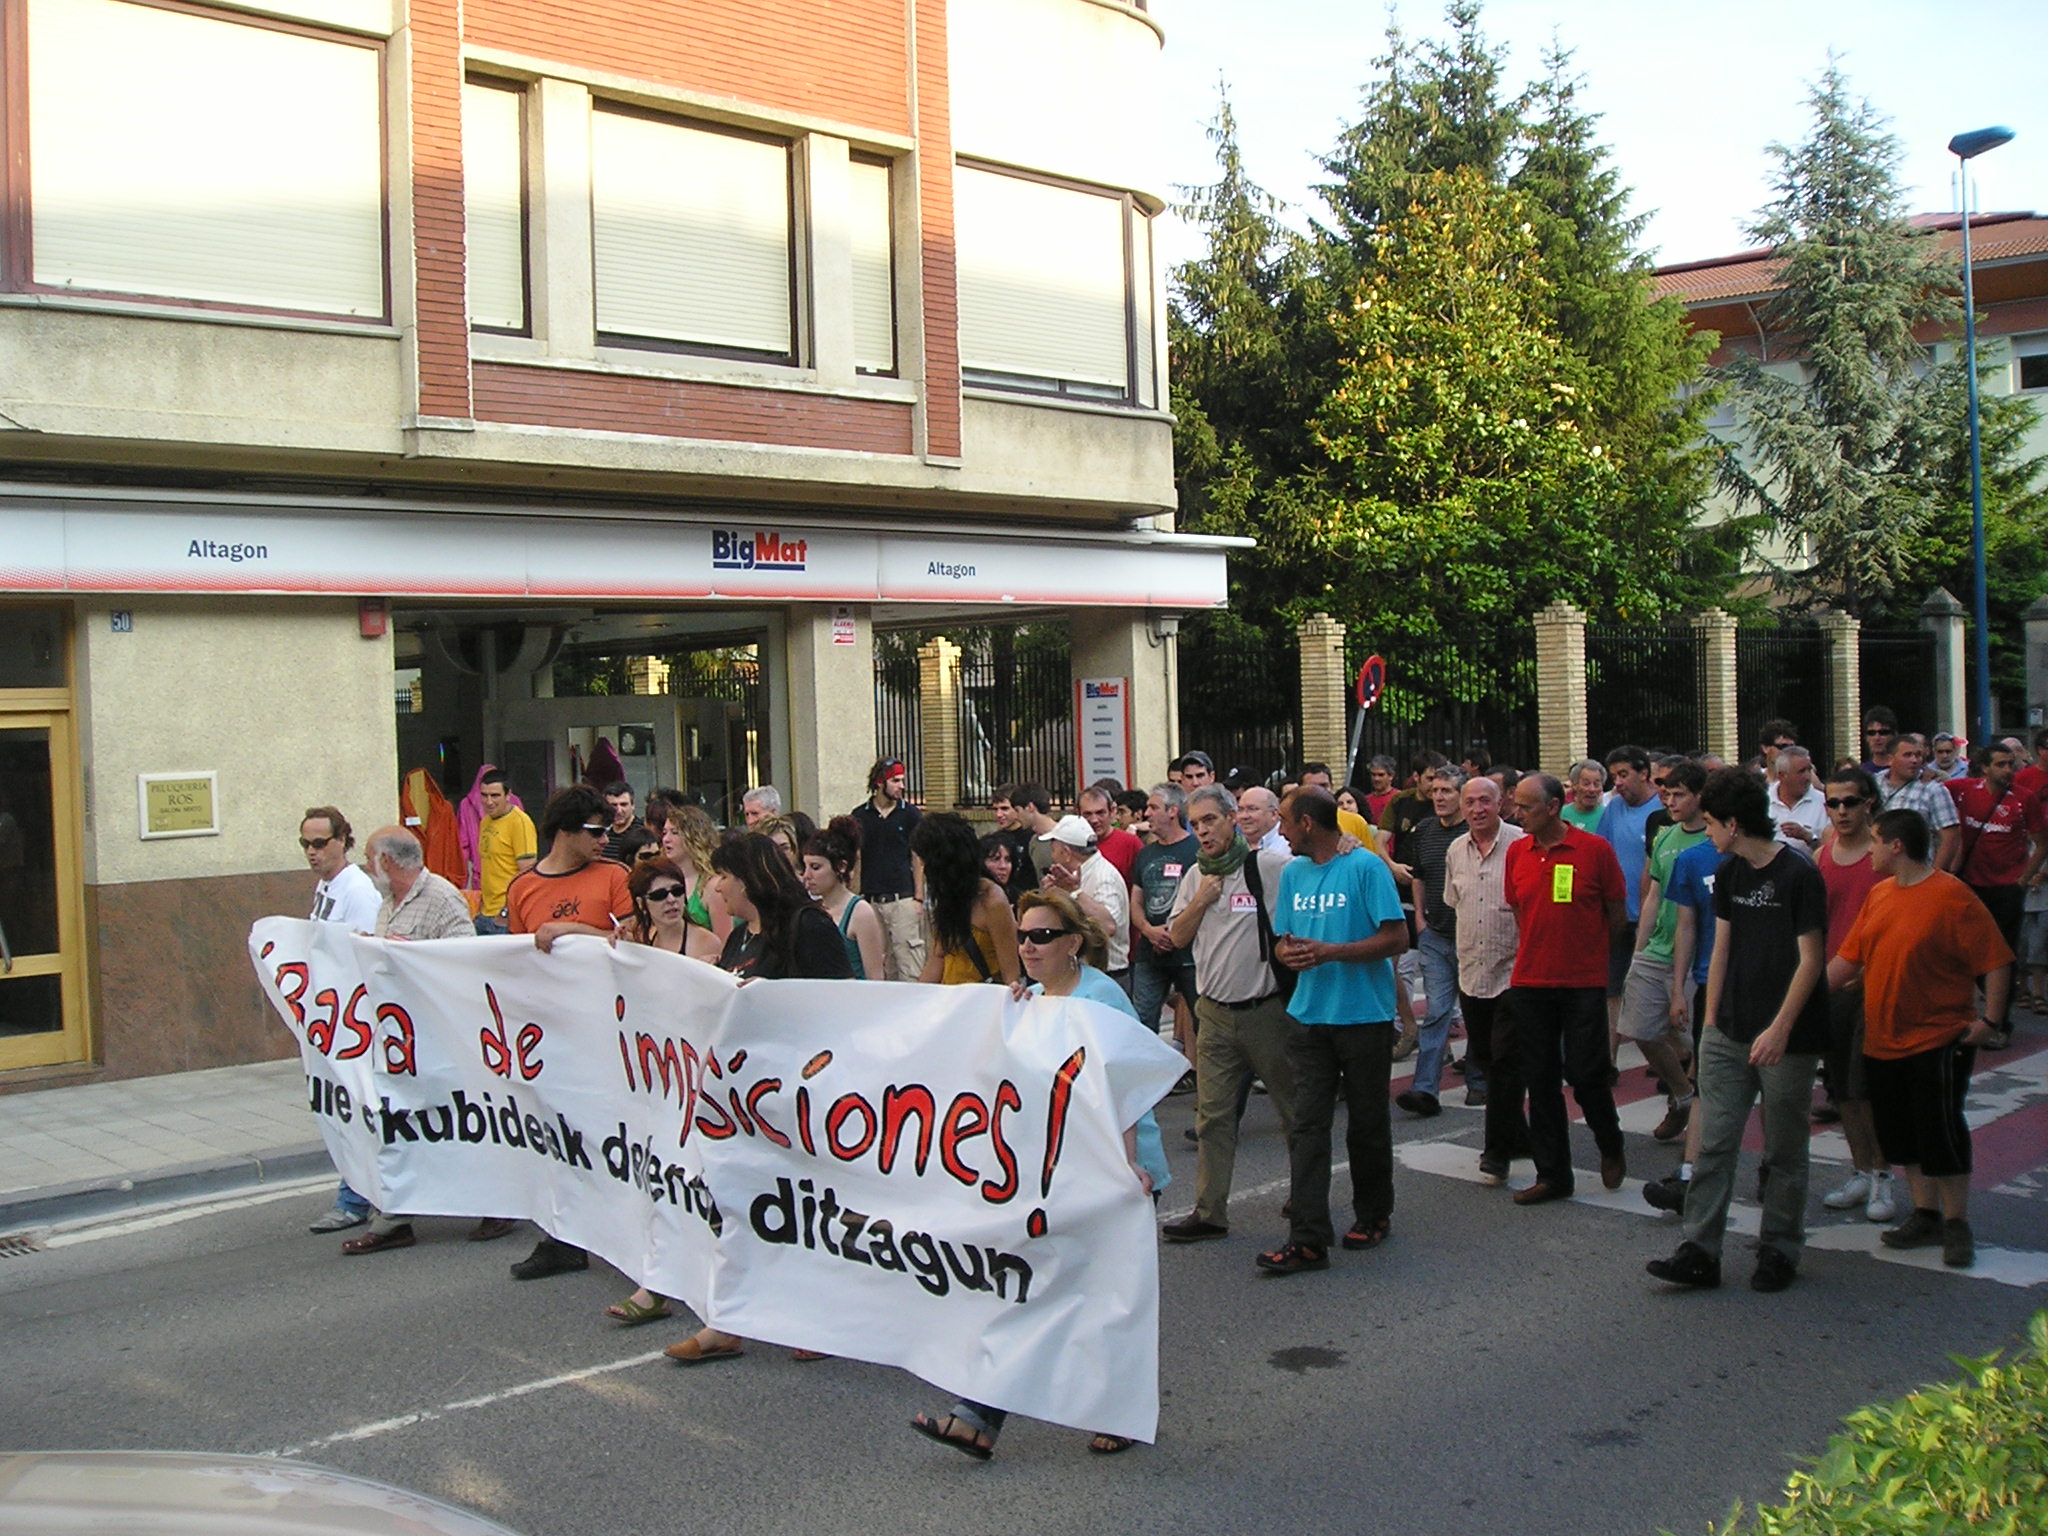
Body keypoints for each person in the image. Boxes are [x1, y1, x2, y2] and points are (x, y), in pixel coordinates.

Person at [910, 889, 1166, 1460]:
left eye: (1042, 936)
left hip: (1114, 1173)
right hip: (1053, 1177)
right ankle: (978, 1415)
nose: (1028, 946)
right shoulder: (1029, 1002)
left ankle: (1112, 1411)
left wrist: (1128, 1167)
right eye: (1023, 936)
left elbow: (1123, 1085)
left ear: (1074, 944)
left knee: (1109, 1298)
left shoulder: (1100, 998)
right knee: (1022, 1288)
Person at [664, 833, 856, 1362]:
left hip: (800, 1097)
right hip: (745, 1099)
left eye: (723, 876)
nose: (716, 888)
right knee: (733, 1202)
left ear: (749, 879)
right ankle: (727, 1320)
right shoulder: (740, 939)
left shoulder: (806, 927)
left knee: (807, 1209)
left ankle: (824, 1319)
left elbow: (837, 1007)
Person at [1646, 769, 1829, 1294]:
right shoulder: (1729, 873)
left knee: (1784, 1150)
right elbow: (1720, 946)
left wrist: (1779, 1029)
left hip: (1786, 1034)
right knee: (1715, 1145)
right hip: (1729, 1026)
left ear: (1732, 822)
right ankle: (1699, 1250)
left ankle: (1779, 1247)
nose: (1707, 835)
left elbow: (1811, 960)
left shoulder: (1798, 873)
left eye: (1710, 824)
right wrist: (1709, 1024)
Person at [1828, 809, 2014, 1269]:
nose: (1868, 850)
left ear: (1896, 846)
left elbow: (1995, 961)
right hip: (1882, 1038)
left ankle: (1956, 1223)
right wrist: (1795, 998)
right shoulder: (1879, 895)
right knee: (1902, 1133)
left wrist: (1990, 1020)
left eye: (1874, 841)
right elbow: (1847, 961)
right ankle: (1925, 1214)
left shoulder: (1953, 896)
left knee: (1941, 1130)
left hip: (1938, 1039)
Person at [1256, 788, 1408, 1275]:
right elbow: (1284, 939)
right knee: (1307, 1128)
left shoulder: (1365, 867)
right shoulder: (1294, 872)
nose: (1278, 830)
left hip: (1364, 1016)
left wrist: (1332, 952)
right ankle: (1307, 1237)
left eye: (1283, 820)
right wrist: (1288, 954)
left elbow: (1397, 937)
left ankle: (1373, 1214)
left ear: (1305, 823)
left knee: (1366, 1124)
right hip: (1309, 1015)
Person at [344, 826, 512, 1256]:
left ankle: (499, 1201)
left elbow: (463, 956)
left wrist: (409, 952)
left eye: (369, 857)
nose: (366, 865)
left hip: (439, 1036)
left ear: (387, 861)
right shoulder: (387, 901)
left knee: (458, 1121)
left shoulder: (441, 897)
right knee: (398, 1121)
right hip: (400, 1037)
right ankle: (396, 1217)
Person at [506, 786, 635, 1283]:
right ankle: (563, 1236)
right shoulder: (523, 889)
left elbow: (634, 942)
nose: (605, 839)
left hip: (608, 1027)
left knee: (612, 1132)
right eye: (595, 831)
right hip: (551, 1028)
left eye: (607, 830)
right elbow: (516, 958)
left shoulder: (614, 877)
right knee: (557, 1135)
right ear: (564, 831)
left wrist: (570, 931)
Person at [1160, 784, 1299, 1241]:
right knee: (1213, 1118)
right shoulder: (1196, 876)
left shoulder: (1268, 866)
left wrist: (1347, 845)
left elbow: (1315, 877)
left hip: (1266, 1012)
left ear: (1232, 820)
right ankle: (1209, 1211)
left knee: (1293, 1112)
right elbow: (1176, 938)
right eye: (1195, 823)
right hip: (1214, 1014)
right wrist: (1202, 899)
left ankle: (1306, 1196)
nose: (1202, 831)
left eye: (1210, 821)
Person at [1503, 773, 1629, 1206]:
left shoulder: (1594, 851)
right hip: (1531, 981)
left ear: (1554, 806)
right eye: (1516, 805)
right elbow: (1520, 910)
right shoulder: (1518, 852)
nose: (1517, 814)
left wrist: (1589, 954)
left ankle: (1610, 1142)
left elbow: (1616, 914)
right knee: (1539, 1080)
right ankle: (1553, 1173)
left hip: (1582, 982)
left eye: (1526, 806)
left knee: (1586, 1073)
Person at [1810, 769, 1897, 1222]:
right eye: (1833, 802)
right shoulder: (1821, 857)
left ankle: (1883, 1174)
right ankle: (1861, 1169)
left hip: (1877, 988)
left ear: (1869, 804)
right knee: (1841, 1086)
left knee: (1868, 1089)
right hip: (1830, 986)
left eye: (1850, 802)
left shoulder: (1884, 858)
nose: (1841, 810)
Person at [1615, 760, 1711, 1144]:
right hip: (1657, 948)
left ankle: (1701, 1104)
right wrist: (1640, 946)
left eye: (1680, 794)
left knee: (1692, 1031)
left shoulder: (1715, 840)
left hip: (1699, 954)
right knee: (1639, 1027)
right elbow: (1654, 894)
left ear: (1700, 797)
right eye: (1667, 794)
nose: (1670, 801)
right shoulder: (1666, 836)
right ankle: (1683, 1092)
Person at [300, 806, 383, 1236]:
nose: (312, 853)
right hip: (332, 1020)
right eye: (305, 845)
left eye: (319, 844)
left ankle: (355, 1198)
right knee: (345, 1110)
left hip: (354, 1023)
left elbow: (363, 954)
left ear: (341, 841)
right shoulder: (326, 886)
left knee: (356, 1110)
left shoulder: (357, 889)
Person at [1442, 775, 1529, 1181]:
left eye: (1485, 801)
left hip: (1513, 971)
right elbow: (1454, 902)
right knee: (1488, 1059)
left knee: (1507, 1061)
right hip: (1472, 971)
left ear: (1501, 804)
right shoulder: (1456, 850)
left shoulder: (1521, 845)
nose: (1477, 809)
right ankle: (1521, 1134)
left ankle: (1496, 1151)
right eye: (1470, 802)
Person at [1949, 741, 2040, 1049]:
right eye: (2000, 764)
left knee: (2002, 955)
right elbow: (1934, 790)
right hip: (1970, 885)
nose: (2007, 770)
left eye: (2011, 764)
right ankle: (1982, 1009)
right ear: (1984, 767)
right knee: (1966, 952)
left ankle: (2000, 1022)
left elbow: (2043, 841)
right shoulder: (1963, 790)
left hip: (2006, 888)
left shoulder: (2023, 799)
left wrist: (2023, 879)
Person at [1396, 766, 1470, 1117]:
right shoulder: (1424, 831)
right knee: (1438, 1012)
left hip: (1474, 939)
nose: (1439, 797)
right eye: (1436, 790)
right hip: (1437, 936)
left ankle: (1481, 1080)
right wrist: (1421, 920)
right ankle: (1425, 1089)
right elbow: (1418, 876)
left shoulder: (1473, 831)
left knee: (1479, 1016)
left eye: (1447, 791)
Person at [1595, 745, 1660, 1050]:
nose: (1617, 783)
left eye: (1623, 774)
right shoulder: (1613, 810)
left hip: (1657, 918)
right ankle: (1608, 1060)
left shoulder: (1663, 809)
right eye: (1613, 776)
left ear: (1644, 773)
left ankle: (1675, 1058)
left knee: (1652, 992)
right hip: (1619, 916)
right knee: (1611, 990)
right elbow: (1600, 855)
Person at [1129, 783, 1200, 1051]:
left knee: (1202, 1019)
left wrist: (1177, 932)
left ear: (1173, 811)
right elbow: (1136, 899)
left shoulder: (1196, 849)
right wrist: (1148, 930)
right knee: (1142, 1019)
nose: (1146, 813)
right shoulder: (1146, 853)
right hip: (1151, 952)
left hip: (1189, 953)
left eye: (1153, 807)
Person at [913, 811, 1020, 986]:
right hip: (950, 1001)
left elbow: (1011, 975)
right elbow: (938, 957)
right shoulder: (949, 896)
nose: (924, 869)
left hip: (980, 1002)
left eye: (926, 862)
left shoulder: (992, 900)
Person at [853, 759, 926, 981]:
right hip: (871, 900)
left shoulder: (911, 814)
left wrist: (918, 897)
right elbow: (857, 859)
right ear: (879, 783)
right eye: (895, 781)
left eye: (902, 780)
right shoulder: (860, 816)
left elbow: (918, 856)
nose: (901, 786)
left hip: (902, 898)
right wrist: (857, 897)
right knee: (880, 966)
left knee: (910, 963)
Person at [801, 816, 885, 980]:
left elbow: (875, 977)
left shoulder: (860, 912)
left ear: (841, 867)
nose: (807, 875)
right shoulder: (812, 909)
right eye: (805, 866)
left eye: (815, 867)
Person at [472, 770, 537, 936]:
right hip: (485, 912)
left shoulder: (520, 822)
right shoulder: (486, 821)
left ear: (508, 795)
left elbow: (527, 874)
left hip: (505, 917)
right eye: (484, 795)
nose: (489, 802)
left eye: (495, 795)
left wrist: (506, 912)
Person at [1079, 782, 1143, 884]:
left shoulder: (1130, 843)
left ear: (1111, 811)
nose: (1094, 820)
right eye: (1087, 814)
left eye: (1100, 813)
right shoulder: (1072, 844)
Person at [1769, 746, 1828, 850]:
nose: (1807, 777)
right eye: (1801, 771)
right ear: (1782, 775)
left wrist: (1808, 837)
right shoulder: (1763, 801)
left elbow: (1833, 850)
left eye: (1809, 770)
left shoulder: (1824, 803)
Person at [978, 831, 1030, 908]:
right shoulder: (975, 899)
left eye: (1008, 860)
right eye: (996, 859)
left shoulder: (1021, 899)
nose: (1003, 866)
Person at [1236, 785, 1289, 855]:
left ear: (1274, 814)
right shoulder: (1235, 845)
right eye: (1240, 810)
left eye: (1252, 809)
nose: (1244, 816)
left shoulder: (1288, 846)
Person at [1560, 759, 1608, 833]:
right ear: (1574, 785)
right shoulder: (1560, 815)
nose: (1592, 789)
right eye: (1586, 783)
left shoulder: (1608, 816)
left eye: (1596, 784)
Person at [601, 781, 641, 863]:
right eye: (613, 805)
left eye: (624, 804)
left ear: (633, 805)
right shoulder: (602, 834)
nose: (619, 810)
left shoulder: (642, 832)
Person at [1859, 707, 1900, 778]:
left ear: (1895, 735)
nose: (1877, 738)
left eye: (1883, 732)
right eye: (1871, 733)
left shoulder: (1905, 770)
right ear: (1866, 737)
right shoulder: (1860, 773)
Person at [1363, 756, 1398, 824]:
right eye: (1373, 774)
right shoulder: (1365, 801)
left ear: (1391, 776)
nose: (1376, 779)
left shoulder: (1400, 799)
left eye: (1381, 775)